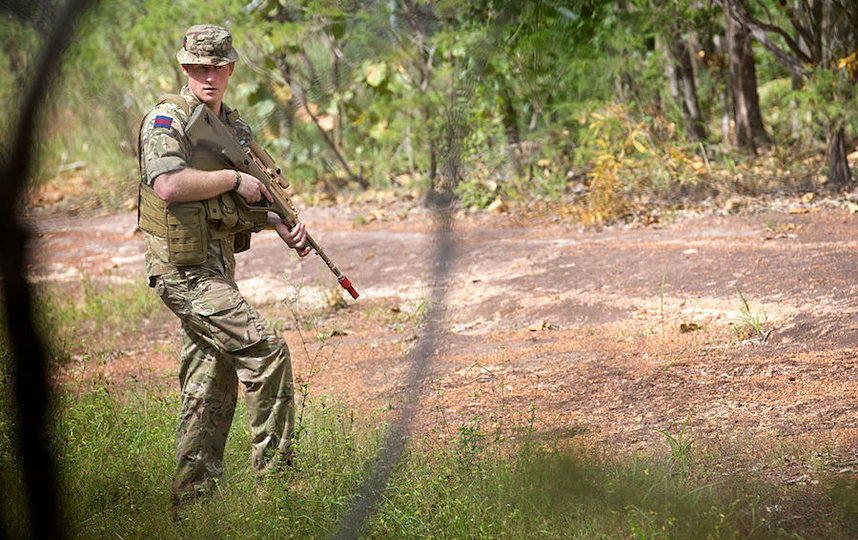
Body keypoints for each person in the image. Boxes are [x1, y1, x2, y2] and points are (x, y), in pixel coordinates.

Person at [137, 24, 310, 507]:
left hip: (213, 268)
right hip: (182, 271)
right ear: (184, 67)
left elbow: (230, 204)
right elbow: (169, 185)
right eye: (198, 68)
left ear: (231, 68)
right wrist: (233, 178)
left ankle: (193, 504)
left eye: (216, 67)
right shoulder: (167, 120)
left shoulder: (232, 127)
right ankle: (278, 490)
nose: (208, 77)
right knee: (267, 350)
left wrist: (274, 220)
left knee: (209, 381)